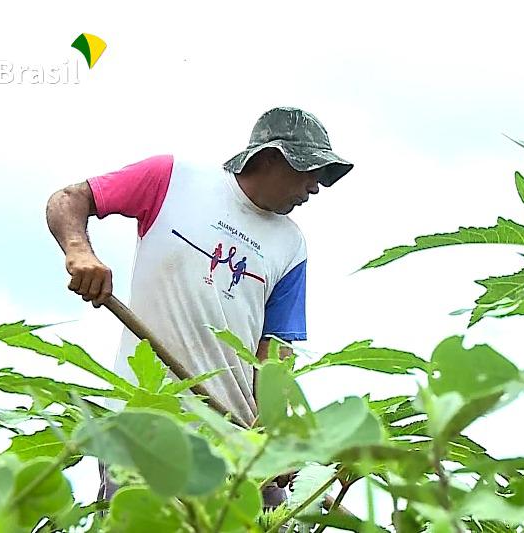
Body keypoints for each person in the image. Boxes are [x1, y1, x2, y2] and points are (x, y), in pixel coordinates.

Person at [45, 107, 353, 506]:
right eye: (310, 172)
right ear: (272, 157)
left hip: (235, 442)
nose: (315, 188)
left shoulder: (291, 245)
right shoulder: (172, 180)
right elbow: (69, 199)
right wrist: (79, 253)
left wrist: (273, 434)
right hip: (147, 422)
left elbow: (275, 352)